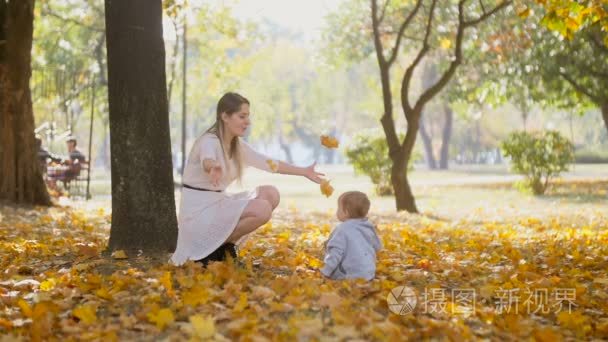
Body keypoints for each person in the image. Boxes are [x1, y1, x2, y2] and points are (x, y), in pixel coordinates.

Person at [170, 92, 325, 266]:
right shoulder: (209, 141)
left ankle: (220, 248)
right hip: (199, 213)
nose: (247, 122)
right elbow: (207, 158)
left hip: (217, 203)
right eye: (242, 116)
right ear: (225, 116)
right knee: (261, 209)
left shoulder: (238, 146)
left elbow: (269, 163)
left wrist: (304, 171)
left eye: (248, 116)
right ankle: (209, 251)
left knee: (270, 193)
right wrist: (212, 166)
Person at [320, 191, 382, 280]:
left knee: (337, 260)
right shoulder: (369, 226)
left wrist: (325, 271)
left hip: (348, 276)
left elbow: (335, 254)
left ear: (346, 212)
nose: (337, 211)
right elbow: (378, 247)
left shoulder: (342, 229)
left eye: (338, 208)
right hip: (368, 274)